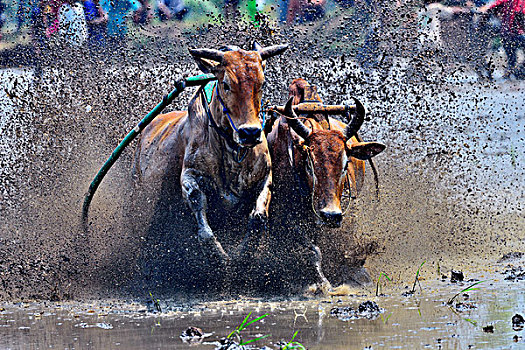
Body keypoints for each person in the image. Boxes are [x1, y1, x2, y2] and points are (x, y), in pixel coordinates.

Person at [480, 0, 525, 78]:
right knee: (511, 58)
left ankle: (511, 74)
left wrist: (482, 24)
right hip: (516, 34)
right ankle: (516, 73)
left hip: (507, 33)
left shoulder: (506, 1)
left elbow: (490, 9)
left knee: (511, 58)